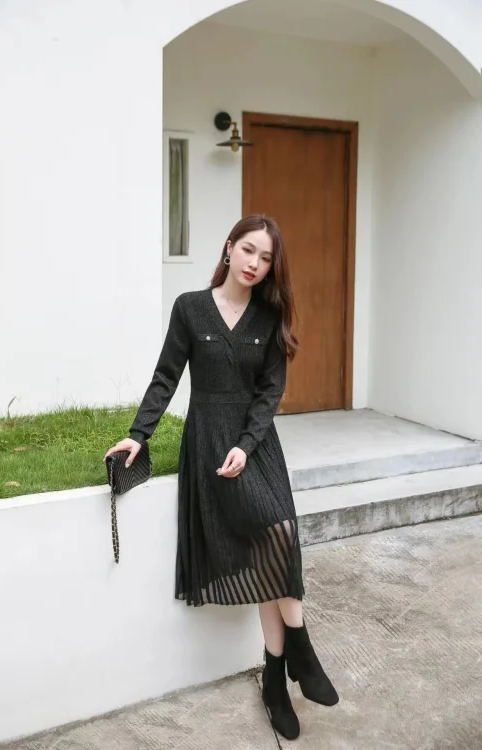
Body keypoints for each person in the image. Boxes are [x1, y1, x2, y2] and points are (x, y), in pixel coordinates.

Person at [104, 214, 338, 740]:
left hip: (256, 444)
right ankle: (297, 658)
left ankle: (280, 672)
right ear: (229, 248)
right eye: (249, 250)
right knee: (271, 544)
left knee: (278, 536)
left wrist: (247, 444)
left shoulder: (270, 316)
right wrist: (139, 435)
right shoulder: (190, 307)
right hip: (210, 440)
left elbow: (270, 393)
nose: (255, 263)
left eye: (266, 258)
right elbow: (166, 377)